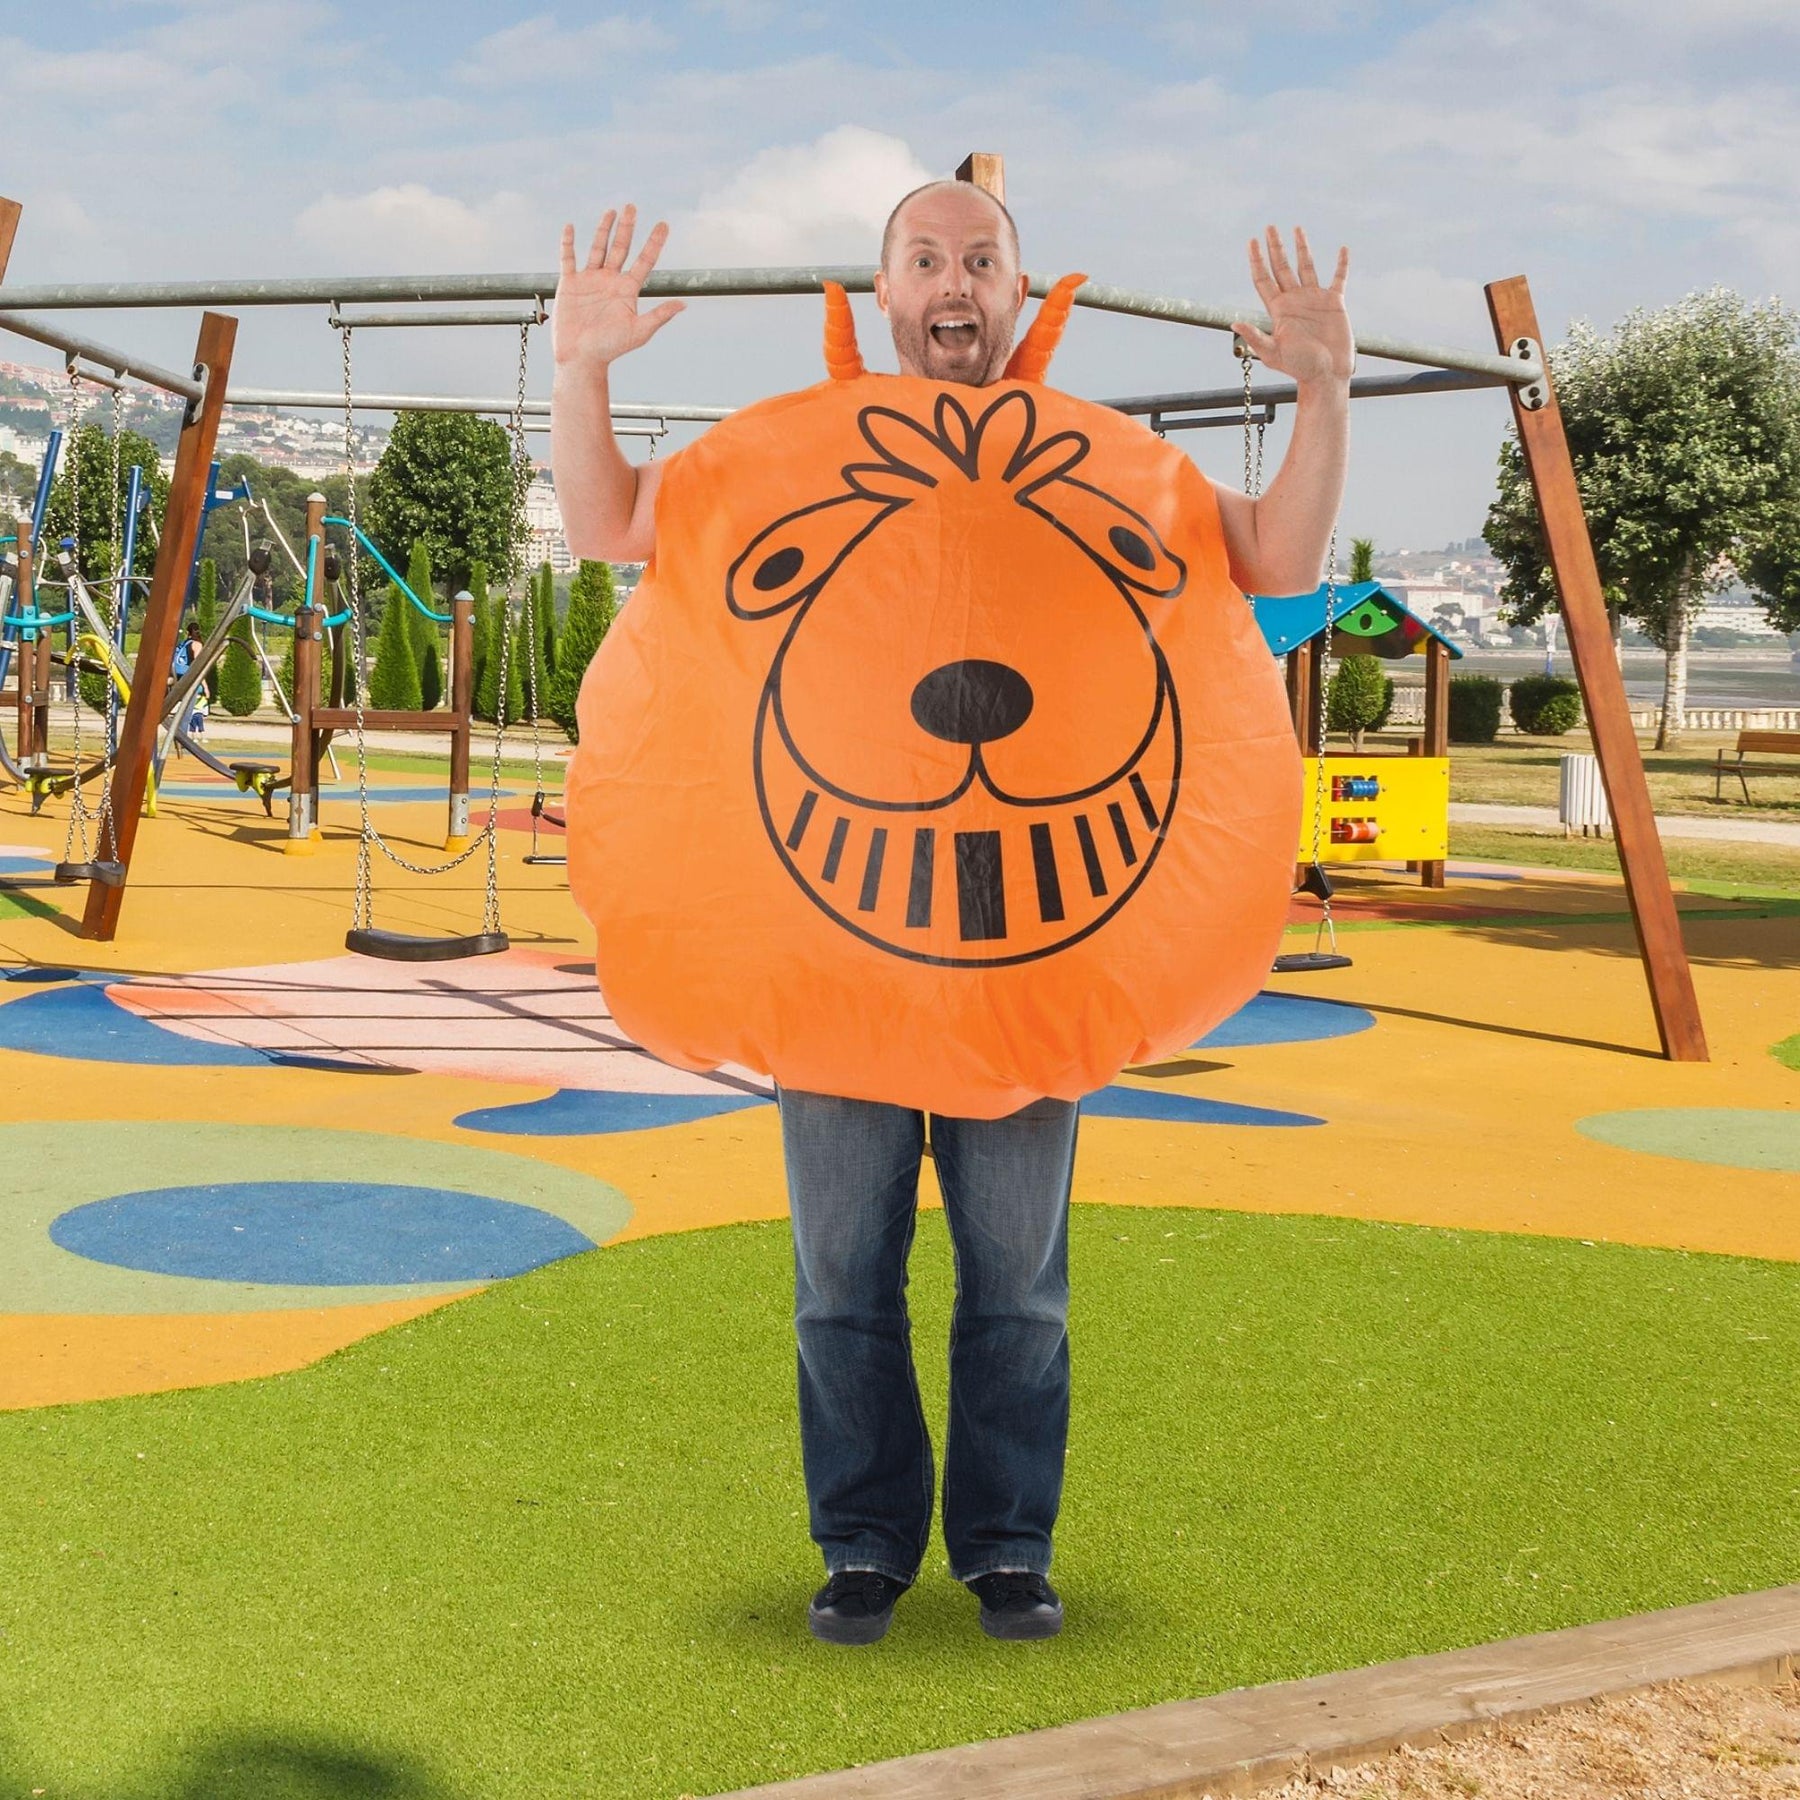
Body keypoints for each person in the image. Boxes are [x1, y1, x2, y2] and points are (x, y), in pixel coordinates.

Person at [551, 185, 1351, 1645]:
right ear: (887, 292)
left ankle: (1005, 1548)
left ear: (1016, 288)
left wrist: (1325, 394)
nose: (954, 282)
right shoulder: (782, 454)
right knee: (840, 1290)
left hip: (1025, 983)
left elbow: (1278, 562)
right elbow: (608, 521)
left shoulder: (1106, 462)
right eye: (925, 259)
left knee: (1020, 1295)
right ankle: (864, 1545)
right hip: (834, 982)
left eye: (981, 259)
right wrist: (581, 369)